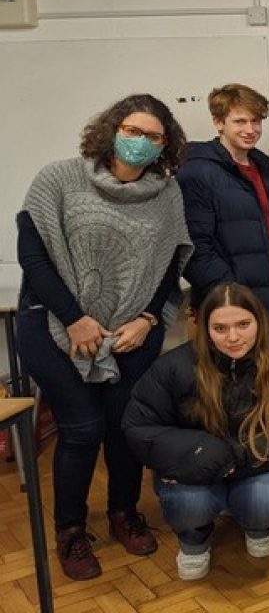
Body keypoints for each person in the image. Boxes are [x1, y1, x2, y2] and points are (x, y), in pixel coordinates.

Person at [16, 94, 192, 580]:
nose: (140, 142)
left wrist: (148, 319)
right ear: (112, 130)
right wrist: (75, 317)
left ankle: (123, 512)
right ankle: (70, 532)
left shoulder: (166, 192)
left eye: (153, 136)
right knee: (81, 429)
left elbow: (169, 263)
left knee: (124, 428)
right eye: (132, 131)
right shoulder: (58, 179)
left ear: (165, 144)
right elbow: (34, 256)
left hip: (132, 332)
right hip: (56, 326)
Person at [122, 283, 269, 581]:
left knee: (264, 501)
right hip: (195, 464)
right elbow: (139, 426)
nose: (234, 337)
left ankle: (256, 524)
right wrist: (196, 455)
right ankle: (194, 537)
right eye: (221, 328)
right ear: (205, 328)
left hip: (256, 461)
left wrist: (227, 459)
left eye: (243, 324)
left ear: (260, 322)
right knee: (190, 504)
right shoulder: (174, 366)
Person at [177, 83, 269, 322]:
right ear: (218, 123)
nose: (250, 129)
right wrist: (230, 294)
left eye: (256, 121)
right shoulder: (197, 173)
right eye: (240, 121)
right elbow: (194, 247)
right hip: (230, 307)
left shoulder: (265, 169)